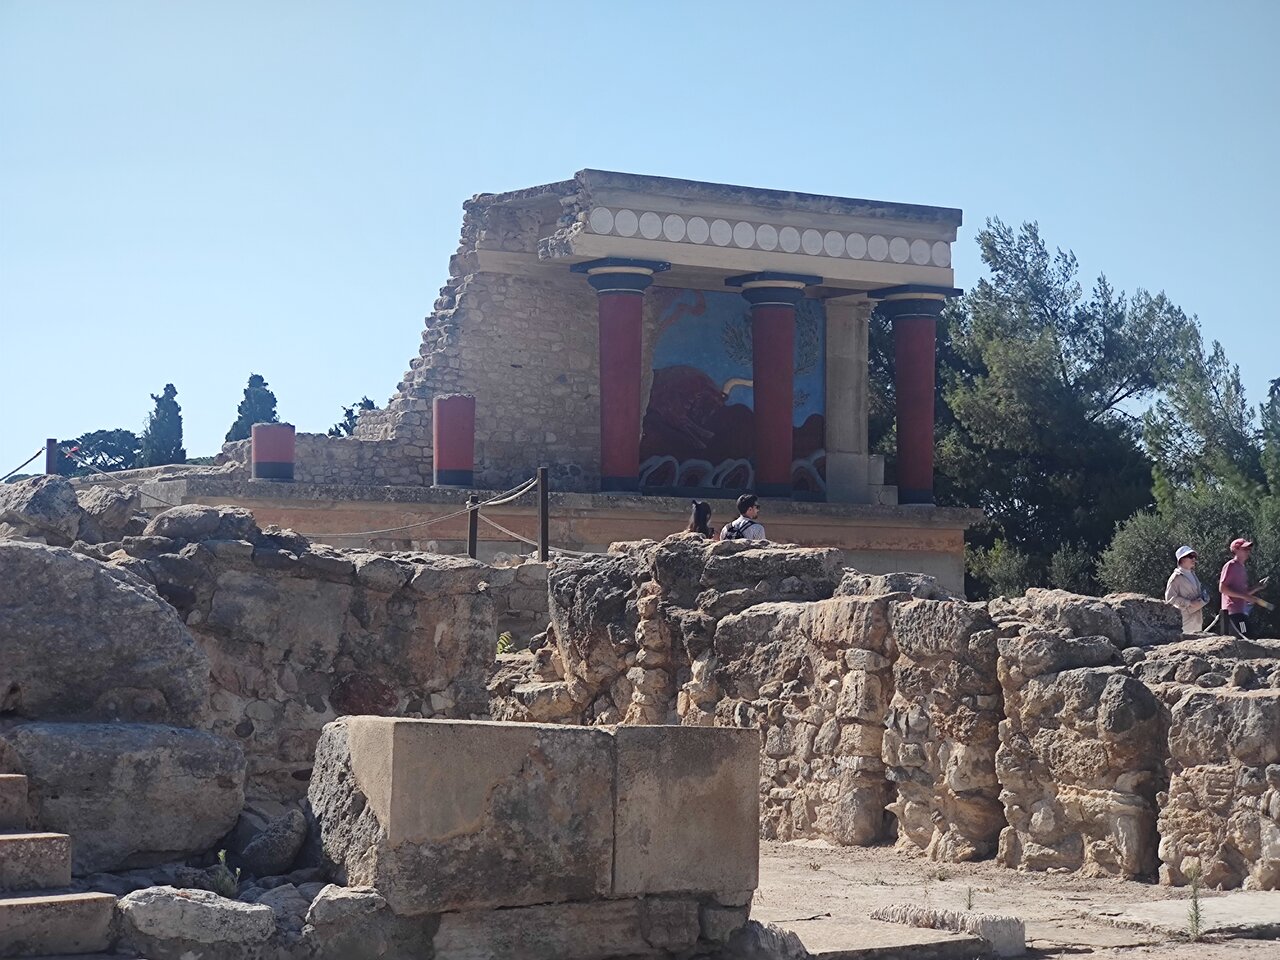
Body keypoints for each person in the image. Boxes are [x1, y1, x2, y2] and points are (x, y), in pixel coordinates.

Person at [1218, 538, 1268, 637]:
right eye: (1245, 549)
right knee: (1244, 636)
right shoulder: (1231, 565)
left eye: (1249, 549)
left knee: (1247, 636)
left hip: (1240, 611)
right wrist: (1245, 597)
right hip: (1232, 613)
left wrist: (1257, 587)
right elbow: (1222, 588)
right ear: (1236, 550)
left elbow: (1243, 593)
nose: (1248, 551)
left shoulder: (1242, 567)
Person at [1164, 545, 1208, 634]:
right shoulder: (1176, 577)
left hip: (1197, 618)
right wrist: (1189, 603)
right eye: (1190, 556)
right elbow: (1169, 599)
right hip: (1185, 619)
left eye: (1194, 556)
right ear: (1181, 559)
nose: (1193, 559)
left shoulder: (1193, 575)